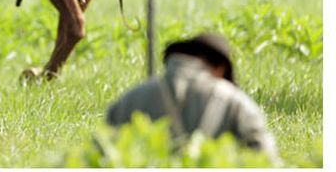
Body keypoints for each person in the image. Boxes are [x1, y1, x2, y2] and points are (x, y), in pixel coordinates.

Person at [106, 32, 278, 162]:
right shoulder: (235, 103)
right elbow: (266, 160)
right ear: (220, 68)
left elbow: (100, 158)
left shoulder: (127, 101)